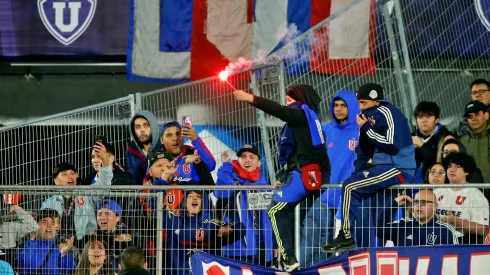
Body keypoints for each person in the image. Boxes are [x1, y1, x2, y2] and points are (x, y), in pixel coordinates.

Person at [233, 84, 330, 272]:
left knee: (275, 210)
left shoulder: (301, 113)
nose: (287, 103)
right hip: (317, 178)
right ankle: (295, 262)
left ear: (301, 99)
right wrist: (282, 176)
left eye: (290, 99)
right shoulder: (312, 121)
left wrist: (251, 98)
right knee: (291, 217)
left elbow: (278, 111)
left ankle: (287, 258)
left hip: (303, 176)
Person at [322, 83, 416, 253]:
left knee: (350, 186)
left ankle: (346, 236)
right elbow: (364, 151)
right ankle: (362, 249)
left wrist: (366, 128)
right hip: (382, 167)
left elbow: (392, 144)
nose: (361, 107)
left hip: (399, 168)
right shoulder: (365, 117)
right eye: (359, 103)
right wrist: (358, 173)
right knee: (356, 191)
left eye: (365, 102)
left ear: (376, 101)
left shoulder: (389, 112)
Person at [301, 90, 359, 266]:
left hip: (348, 199)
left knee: (343, 248)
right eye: (336, 105)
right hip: (322, 197)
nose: (338, 109)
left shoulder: (362, 132)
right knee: (314, 242)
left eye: (343, 105)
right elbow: (309, 158)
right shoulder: (325, 130)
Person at [213, 145, 276, 266]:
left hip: (262, 249)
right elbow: (221, 192)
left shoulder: (266, 187)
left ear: (259, 163)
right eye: (243, 157)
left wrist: (274, 243)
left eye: (251, 157)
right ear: (238, 160)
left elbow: (271, 219)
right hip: (236, 249)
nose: (247, 160)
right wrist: (226, 165)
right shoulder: (231, 180)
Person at [41, 142, 113, 242]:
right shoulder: (48, 203)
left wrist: (105, 161)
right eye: (64, 174)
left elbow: (104, 185)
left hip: (85, 245)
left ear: (77, 175)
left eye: (72, 173)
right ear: (56, 181)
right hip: (57, 247)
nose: (70, 176)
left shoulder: (87, 195)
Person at [165, 190, 244, 275]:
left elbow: (241, 229)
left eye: (198, 197)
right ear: (185, 201)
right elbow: (157, 208)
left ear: (203, 202)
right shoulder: (174, 221)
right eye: (190, 196)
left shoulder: (212, 225)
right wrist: (160, 181)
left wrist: (231, 228)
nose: (194, 198)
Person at [434, 152, 489, 244]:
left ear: (467, 171)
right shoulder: (436, 192)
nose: (452, 169)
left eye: (458, 166)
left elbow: (482, 230)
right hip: (435, 239)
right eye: (449, 166)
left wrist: (456, 221)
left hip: (463, 242)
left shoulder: (476, 195)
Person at [378, 189, 462, 245]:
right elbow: (378, 228)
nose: (418, 205)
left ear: (435, 206)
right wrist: (394, 203)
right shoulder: (403, 226)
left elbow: (455, 257)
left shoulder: (445, 230)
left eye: (423, 202)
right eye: (415, 202)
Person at [16, 209, 77, 275]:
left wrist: (63, 255)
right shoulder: (24, 245)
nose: (49, 226)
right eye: (44, 222)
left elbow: (71, 271)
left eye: (53, 223)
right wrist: (31, 241)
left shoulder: (62, 246)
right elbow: (23, 267)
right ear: (36, 225)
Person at [154, 121, 215, 185]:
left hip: (194, 194)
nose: (175, 138)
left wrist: (195, 139)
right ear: (161, 140)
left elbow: (211, 166)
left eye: (178, 134)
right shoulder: (156, 158)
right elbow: (150, 181)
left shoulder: (193, 152)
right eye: (169, 135)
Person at [412, 101, 451, 182]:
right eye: (420, 117)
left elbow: (445, 162)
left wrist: (423, 146)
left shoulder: (447, 138)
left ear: (437, 119)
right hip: (411, 188)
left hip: (436, 187)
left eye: (428, 116)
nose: (424, 120)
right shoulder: (410, 137)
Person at [95, 200, 139, 270]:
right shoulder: (95, 233)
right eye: (99, 214)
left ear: (117, 217)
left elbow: (119, 254)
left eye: (107, 214)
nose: (102, 217)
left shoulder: (126, 232)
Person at [126, 111, 160, 185]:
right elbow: (130, 175)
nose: (142, 130)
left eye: (146, 125)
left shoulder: (163, 148)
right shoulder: (131, 151)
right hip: (138, 194)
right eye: (137, 127)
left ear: (153, 127)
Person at [459, 100, 490, 182]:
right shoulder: (461, 141)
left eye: (477, 114)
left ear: (486, 115)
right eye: (470, 116)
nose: (473, 119)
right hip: (472, 192)